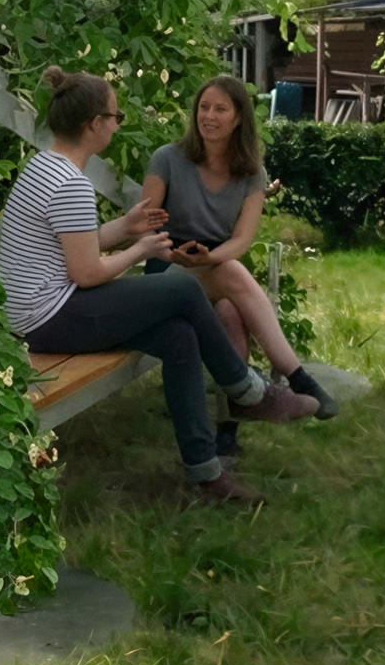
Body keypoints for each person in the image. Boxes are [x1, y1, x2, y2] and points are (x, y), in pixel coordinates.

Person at [0, 67, 316, 506]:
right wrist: (139, 248)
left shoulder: (46, 167)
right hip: (52, 317)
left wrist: (124, 227)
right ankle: (246, 391)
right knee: (183, 289)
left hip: (46, 309)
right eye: (115, 115)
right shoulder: (69, 184)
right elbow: (86, 273)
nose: (116, 123)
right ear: (95, 124)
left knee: (179, 337)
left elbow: (76, 244)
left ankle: (206, 475)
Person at [141, 74, 339, 420]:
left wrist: (210, 258)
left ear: (238, 119)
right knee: (231, 273)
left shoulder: (252, 174)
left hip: (217, 264)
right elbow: (144, 227)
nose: (209, 116)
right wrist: (173, 254)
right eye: (204, 107)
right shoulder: (167, 158)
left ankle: (232, 422)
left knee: (231, 312)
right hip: (166, 264)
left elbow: (242, 240)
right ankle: (299, 379)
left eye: (220, 109)